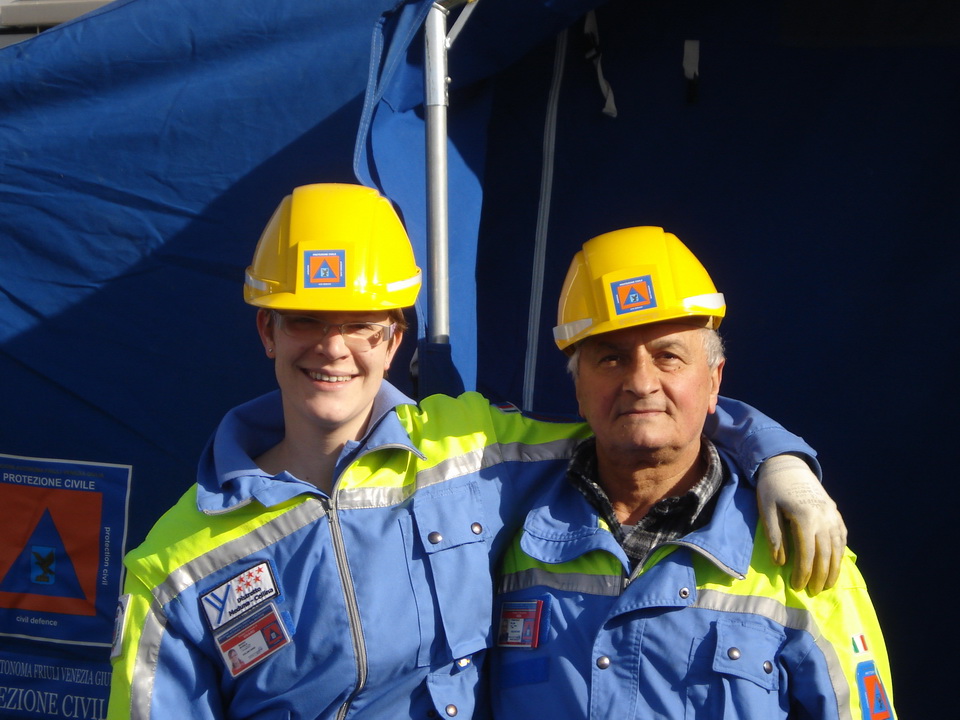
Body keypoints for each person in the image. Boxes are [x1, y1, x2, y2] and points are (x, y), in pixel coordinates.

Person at [107, 184, 846, 719]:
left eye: (360, 323)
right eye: (305, 321)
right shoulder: (176, 566)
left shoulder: (467, 451)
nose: (333, 348)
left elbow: (644, 421)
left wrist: (779, 460)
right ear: (266, 332)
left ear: (394, 339)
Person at [491, 226, 894, 719]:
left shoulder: (803, 550)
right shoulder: (503, 529)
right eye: (611, 358)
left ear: (714, 381)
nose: (640, 382)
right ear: (578, 390)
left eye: (668, 357)